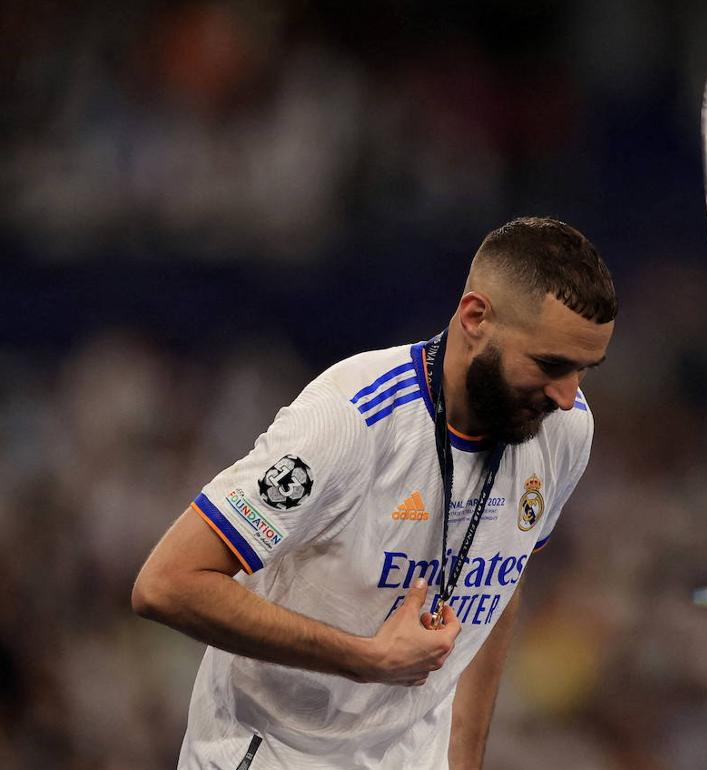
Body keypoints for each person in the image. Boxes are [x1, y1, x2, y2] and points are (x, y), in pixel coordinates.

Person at [132, 217, 617, 769]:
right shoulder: (350, 421)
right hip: (273, 754)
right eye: (551, 365)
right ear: (476, 317)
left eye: (584, 369)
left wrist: (462, 762)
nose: (566, 394)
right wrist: (365, 658)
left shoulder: (566, 430)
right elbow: (167, 584)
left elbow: (502, 582)